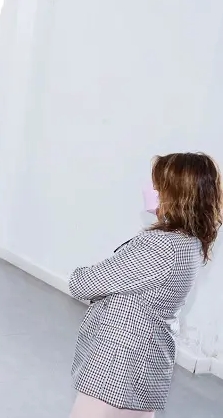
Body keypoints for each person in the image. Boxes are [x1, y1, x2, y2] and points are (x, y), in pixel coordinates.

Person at [68, 153, 223, 417]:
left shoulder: (161, 245)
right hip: (149, 359)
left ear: (174, 193)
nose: (150, 191)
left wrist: (81, 273)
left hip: (120, 359)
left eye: (157, 186)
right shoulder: (192, 242)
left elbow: (84, 284)